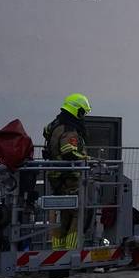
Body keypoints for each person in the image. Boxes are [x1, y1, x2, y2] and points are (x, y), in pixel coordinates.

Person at [43, 93, 92, 250]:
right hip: (69, 178)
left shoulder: (55, 125)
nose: (83, 116)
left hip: (56, 177)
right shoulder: (70, 129)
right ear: (77, 111)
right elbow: (68, 151)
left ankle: (57, 250)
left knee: (63, 215)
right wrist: (86, 158)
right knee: (79, 214)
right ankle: (71, 251)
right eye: (83, 112)